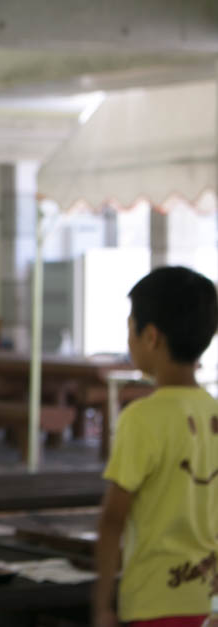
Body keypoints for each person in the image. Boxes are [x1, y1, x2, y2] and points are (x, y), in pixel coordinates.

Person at [94, 266, 218, 627]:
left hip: (153, 603)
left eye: (129, 326)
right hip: (207, 599)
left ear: (151, 336)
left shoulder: (141, 418)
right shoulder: (214, 410)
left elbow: (113, 520)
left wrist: (102, 604)